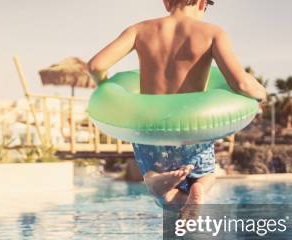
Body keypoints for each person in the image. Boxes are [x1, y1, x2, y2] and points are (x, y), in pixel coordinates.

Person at [88, 0, 266, 208]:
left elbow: (95, 65)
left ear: (166, 2)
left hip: (151, 128)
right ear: (201, 3)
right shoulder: (212, 33)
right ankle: (198, 187)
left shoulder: (139, 30)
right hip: (194, 129)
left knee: (157, 186)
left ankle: (156, 181)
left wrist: (106, 88)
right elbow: (241, 82)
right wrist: (261, 93)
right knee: (207, 175)